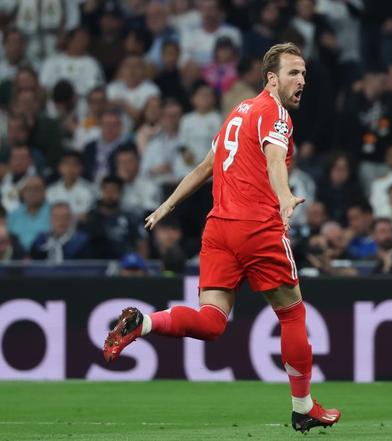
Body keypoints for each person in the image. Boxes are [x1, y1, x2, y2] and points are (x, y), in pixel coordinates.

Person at [102, 43, 340, 432]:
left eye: (304, 74)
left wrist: (167, 205)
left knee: (211, 321)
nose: (302, 81)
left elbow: (205, 166)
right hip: (257, 227)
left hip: (218, 229)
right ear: (272, 78)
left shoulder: (238, 111)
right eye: (294, 73)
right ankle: (303, 407)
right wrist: (284, 197)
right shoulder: (275, 114)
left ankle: (143, 322)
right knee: (292, 313)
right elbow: (275, 159)